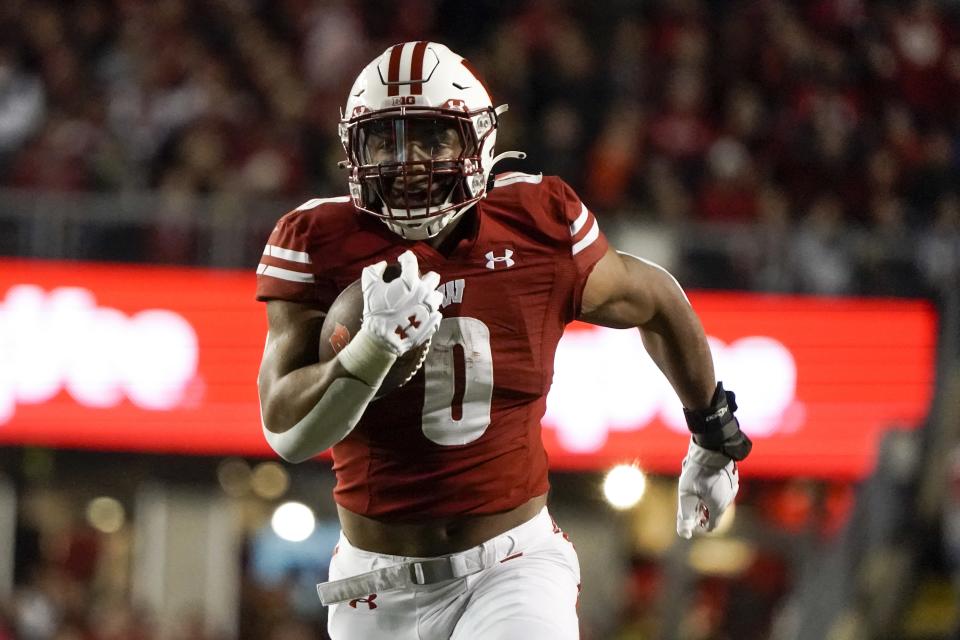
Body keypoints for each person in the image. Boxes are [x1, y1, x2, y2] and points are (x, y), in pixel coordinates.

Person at [256, 41, 752, 640]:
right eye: (386, 139)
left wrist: (711, 434)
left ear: (478, 143)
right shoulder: (317, 239)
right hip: (375, 586)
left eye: (432, 138)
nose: (408, 162)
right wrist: (370, 350)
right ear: (353, 148)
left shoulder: (538, 223)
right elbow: (285, 429)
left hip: (512, 567)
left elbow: (658, 301)